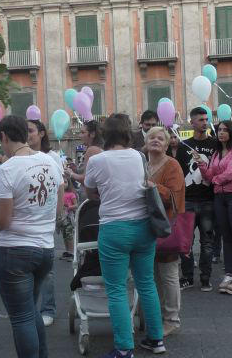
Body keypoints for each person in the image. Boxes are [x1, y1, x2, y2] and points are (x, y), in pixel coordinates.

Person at [0, 115, 63, 358]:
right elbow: (59, 201)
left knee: (22, 316)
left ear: (4, 136)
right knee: (29, 310)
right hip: (45, 248)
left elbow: (0, 222)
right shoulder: (50, 160)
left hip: (15, 251)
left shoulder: (7, 169)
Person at [84, 113, 165, 357]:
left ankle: (124, 347)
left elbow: (90, 193)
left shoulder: (97, 160)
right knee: (147, 284)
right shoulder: (139, 156)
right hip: (143, 227)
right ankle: (156, 339)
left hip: (114, 229)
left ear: (104, 134)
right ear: (127, 133)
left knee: (117, 289)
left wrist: (107, 196)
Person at [196, 120, 232, 295]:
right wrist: (201, 164)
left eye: (225, 130)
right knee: (226, 237)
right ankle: (228, 275)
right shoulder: (217, 152)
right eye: (219, 130)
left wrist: (215, 180)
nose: (221, 133)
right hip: (219, 197)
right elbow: (209, 174)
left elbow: (231, 172)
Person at [146, 127, 185, 337]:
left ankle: (171, 319)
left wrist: (152, 186)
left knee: (169, 274)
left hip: (166, 227)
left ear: (168, 143)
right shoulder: (143, 164)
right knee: (152, 276)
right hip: (146, 227)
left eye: (160, 138)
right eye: (151, 137)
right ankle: (157, 316)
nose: (155, 140)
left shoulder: (173, 165)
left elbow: (174, 196)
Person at [175, 107, 216, 292]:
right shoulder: (184, 147)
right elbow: (180, 174)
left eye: (206, 119)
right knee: (186, 242)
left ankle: (206, 277)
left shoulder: (215, 145)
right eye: (200, 119)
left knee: (207, 242)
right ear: (192, 122)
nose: (204, 122)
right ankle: (187, 277)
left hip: (208, 200)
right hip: (188, 201)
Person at [27, 120, 64, 326]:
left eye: (30, 131)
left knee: (46, 269)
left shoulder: (52, 157)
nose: (27, 135)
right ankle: (30, 309)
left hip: (45, 221)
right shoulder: (18, 157)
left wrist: (57, 215)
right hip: (26, 221)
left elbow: (59, 186)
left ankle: (48, 308)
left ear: (41, 133)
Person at [65, 120, 103, 186]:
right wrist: (75, 169)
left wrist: (70, 173)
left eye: (82, 132)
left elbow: (85, 179)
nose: (79, 135)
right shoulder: (97, 148)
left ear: (92, 134)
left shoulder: (92, 150)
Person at [60, 178, 78, 261]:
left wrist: (69, 207)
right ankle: (67, 251)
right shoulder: (59, 194)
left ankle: (72, 252)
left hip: (69, 217)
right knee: (64, 235)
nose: (63, 184)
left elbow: (76, 205)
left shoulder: (71, 194)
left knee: (69, 234)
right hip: (61, 217)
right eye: (62, 182)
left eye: (65, 182)